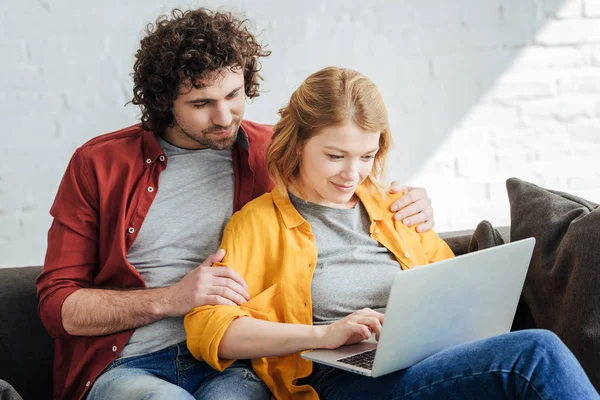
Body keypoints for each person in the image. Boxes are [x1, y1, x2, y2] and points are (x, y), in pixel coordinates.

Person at [35, 8, 436, 400]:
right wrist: (170, 299)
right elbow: (59, 306)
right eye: (200, 103)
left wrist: (414, 205)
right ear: (164, 102)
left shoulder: (274, 151)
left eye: (234, 94)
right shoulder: (100, 164)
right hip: (130, 362)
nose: (224, 117)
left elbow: (352, 173)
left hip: (237, 365)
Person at [184, 66, 599, 400]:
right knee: (535, 353)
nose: (353, 173)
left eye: (366, 156)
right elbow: (211, 330)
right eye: (335, 156)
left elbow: (453, 284)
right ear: (297, 144)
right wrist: (324, 335)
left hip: (430, 360)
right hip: (342, 382)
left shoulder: (394, 207)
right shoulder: (257, 224)